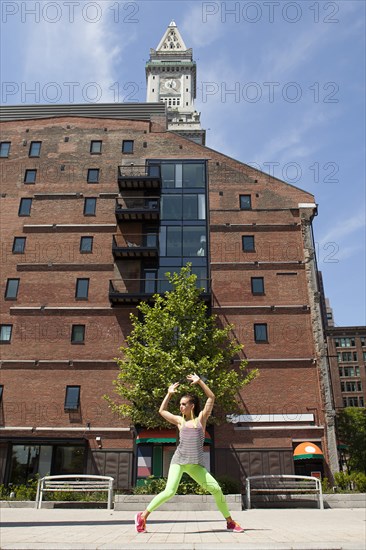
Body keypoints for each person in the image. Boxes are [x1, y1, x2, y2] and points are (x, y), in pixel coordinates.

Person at [134, 373, 244, 533]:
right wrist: (169, 393)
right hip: (179, 461)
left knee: (216, 489)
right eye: (180, 404)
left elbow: (211, 397)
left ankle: (230, 522)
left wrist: (200, 382)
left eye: (184, 404)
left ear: (192, 405)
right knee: (170, 491)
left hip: (195, 465)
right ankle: (142, 516)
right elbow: (162, 411)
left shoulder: (201, 419)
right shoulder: (180, 421)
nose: (181, 407)